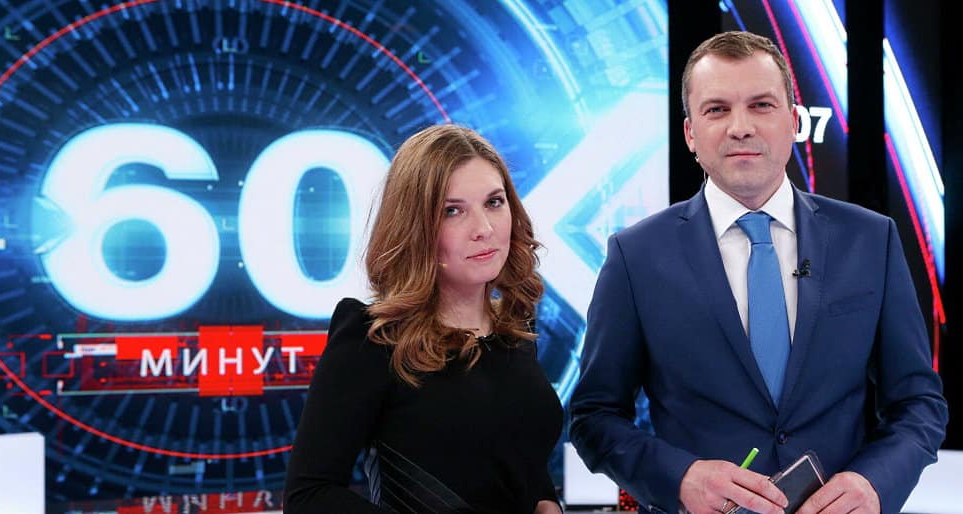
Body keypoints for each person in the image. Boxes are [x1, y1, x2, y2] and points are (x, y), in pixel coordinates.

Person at [569, 31, 948, 514]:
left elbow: (918, 403)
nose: (740, 127)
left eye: (761, 105)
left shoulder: (872, 240)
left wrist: (873, 484)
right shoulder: (635, 256)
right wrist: (680, 479)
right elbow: (594, 416)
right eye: (717, 109)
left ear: (794, 122)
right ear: (690, 134)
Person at [284, 124, 563, 514]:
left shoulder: (514, 330)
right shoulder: (373, 337)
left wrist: (546, 501)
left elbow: (513, 458)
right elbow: (309, 495)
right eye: (453, 211)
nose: (483, 229)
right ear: (416, 226)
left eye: (494, 202)